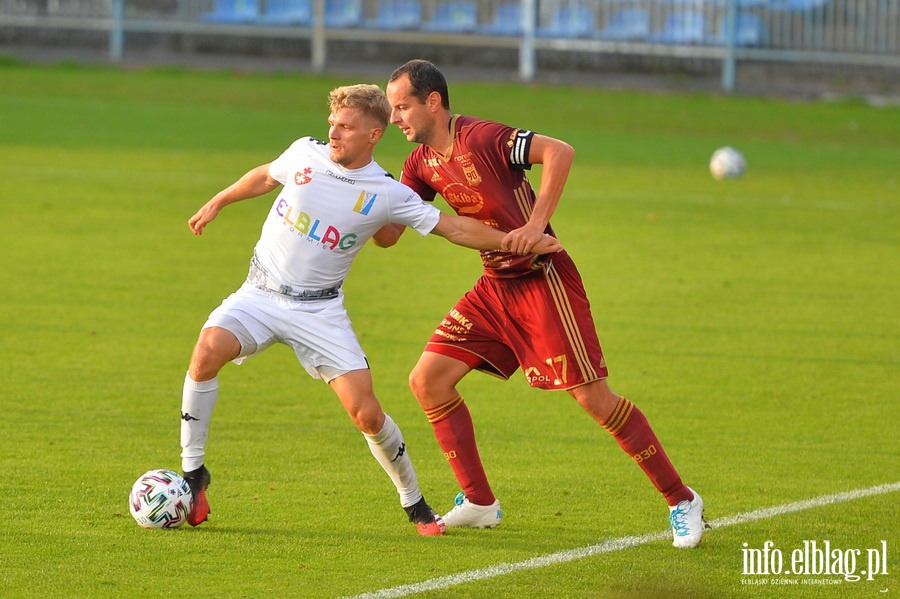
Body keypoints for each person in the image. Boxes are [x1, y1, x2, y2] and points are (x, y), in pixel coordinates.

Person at [178, 83, 563, 535]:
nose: (333, 133)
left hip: (319, 313)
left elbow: (455, 229)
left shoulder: (387, 192)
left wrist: (517, 239)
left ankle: (415, 503)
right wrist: (219, 200)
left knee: (367, 414)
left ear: (374, 134)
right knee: (206, 353)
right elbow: (266, 175)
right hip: (259, 294)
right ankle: (193, 474)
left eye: (346, 127)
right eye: (332, 124)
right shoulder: (305, 153)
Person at [384, 59, 707, 548]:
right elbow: (388, 235)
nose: (394, 119)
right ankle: (479, 502)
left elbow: (559, 150)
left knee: (593, 398)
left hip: (543, 281)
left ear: (433, 102)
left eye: (401, 106)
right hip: (495, 286)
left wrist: (536, 225)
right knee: (427, 381)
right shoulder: (418, 164)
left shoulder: (483, 137)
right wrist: (359, 185)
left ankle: (681, 499)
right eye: (390, 110)